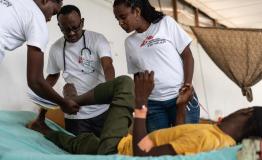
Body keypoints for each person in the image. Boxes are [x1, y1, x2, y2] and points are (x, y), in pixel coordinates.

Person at [30, 71, 262, 156]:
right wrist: (180, 108)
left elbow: (143, 154)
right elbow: (179, 134)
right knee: (86, 143)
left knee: (125, 84)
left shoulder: (209, 139)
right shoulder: (215, 133)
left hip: (120, 146)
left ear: (247, 111)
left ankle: (69, 102)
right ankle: (44, 129)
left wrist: (140, 104)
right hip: (114, 145)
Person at [113, 0, 200, 132]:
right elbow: (138, 76)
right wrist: (141, 103)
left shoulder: (165, 23)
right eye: (117, 19)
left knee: (185, 144)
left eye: (123, 17)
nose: (120, 23)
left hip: (180, 98)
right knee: (158, 148)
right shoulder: (129, 43)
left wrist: (187, 86)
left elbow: (187, 55)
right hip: (153, 106)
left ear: (137, 11)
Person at [31, 5, 115, 136]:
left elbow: (108, 65)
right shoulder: (56, 48)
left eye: (75, 28)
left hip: (102, 111)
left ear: (82, 22)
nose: (71, 33)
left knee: (107, 152)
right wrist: (41, 115)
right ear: (59, 27)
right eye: (66, 30)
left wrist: (112, 91)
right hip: (75, 116)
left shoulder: (98, 39)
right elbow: (51, 79)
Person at [0, 0, 80, 115]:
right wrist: (63, 103)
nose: (49, 18)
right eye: (53, 13)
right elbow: (35, 81)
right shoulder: (37, 20)